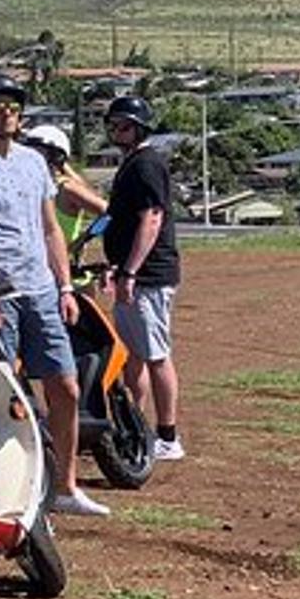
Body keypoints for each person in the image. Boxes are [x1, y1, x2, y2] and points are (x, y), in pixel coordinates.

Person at [0, 74, 106, 517]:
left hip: (42, 290)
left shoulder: (35, 165)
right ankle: (12, 491)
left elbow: (52, 229)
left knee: (67, 387)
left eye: (13, 107)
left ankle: (66, 488)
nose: (7, 113)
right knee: (3, 397)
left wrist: (66, 286)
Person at [102, 95, 185, 462]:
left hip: (148, 276)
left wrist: (132, 270)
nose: (118, 132)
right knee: (133, 354)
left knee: (155, 355)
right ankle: (137, 425)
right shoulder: (133, 164)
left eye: (125, 126)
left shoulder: (146, 165)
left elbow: (151, 219)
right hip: (132, 274)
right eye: (114, 126)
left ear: (141, 128)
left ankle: (168, 435)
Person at [21, 124, 108, 246]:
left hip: (60, 261)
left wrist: (82, 241)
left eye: (38, 154)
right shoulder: (28, 186)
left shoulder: (66, 188)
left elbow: (108, 213)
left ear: (55, 156)